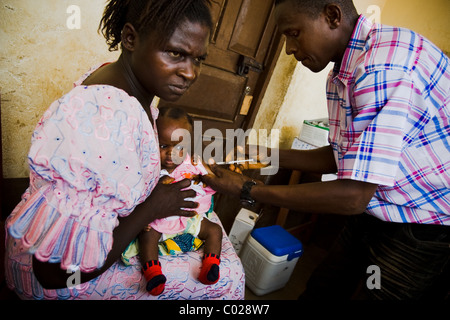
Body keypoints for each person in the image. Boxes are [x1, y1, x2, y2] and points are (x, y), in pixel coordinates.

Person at [203, 0, 450, 300]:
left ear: (332, 16)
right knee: (325, 286)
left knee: (375, 294)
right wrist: (260, 154)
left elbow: (354, 195)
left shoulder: (381, 68)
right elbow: (342, 158)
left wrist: (247, 188)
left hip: (422, 222)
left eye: (294, 33)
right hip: (379, 206)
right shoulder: (342, 71)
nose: (288, 49)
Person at [5, 0, 214, 300]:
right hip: (57, 282)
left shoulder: (123, 81)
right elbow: (54, 274)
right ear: (130, 38)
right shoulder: (108, 114)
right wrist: (152, 209)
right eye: (175, 53)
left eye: (198, 59)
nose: (191, 73)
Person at [123, 106, 222, 296]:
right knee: (147, 236)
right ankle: (153, 273)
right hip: (159, 221)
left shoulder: (193, 164)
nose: (171, 153)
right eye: (163, 146)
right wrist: (141, 218)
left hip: (188, 217)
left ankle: (211, 265)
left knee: (214, 230)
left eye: (179, 147)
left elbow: (210, 187)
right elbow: (136, 196)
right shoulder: (147, 166)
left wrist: (207, 177)